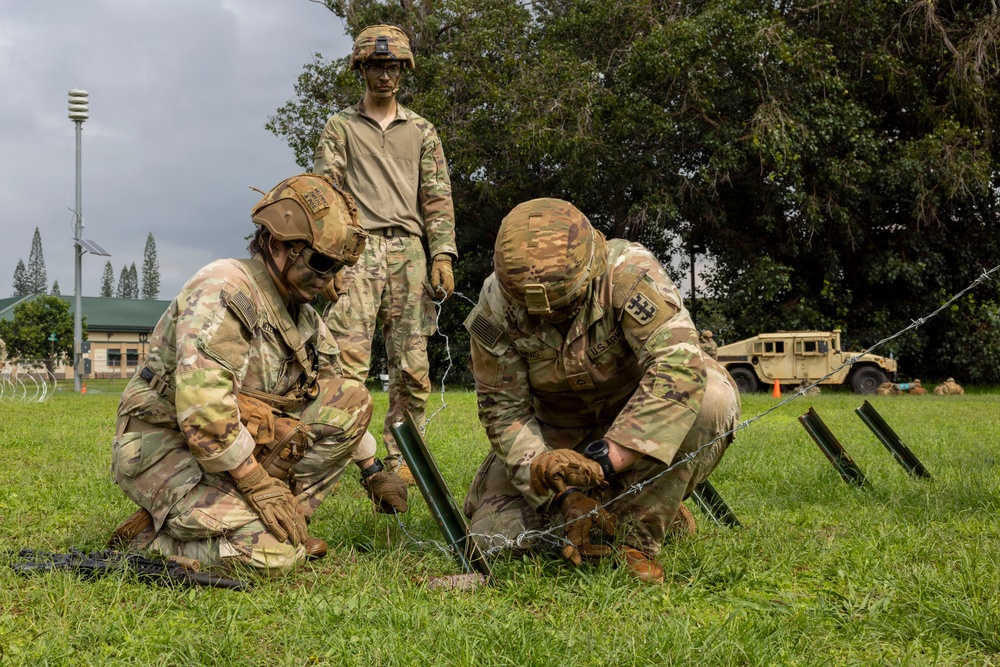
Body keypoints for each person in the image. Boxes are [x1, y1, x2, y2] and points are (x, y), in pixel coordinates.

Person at [108, 174, 408, 577]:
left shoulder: (303, 318)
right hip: (164, 442)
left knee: (352, 399)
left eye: (337, 268)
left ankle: (279, 524)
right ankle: (156, 540)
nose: (328, 279)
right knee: (271, 559)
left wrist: (373, 471)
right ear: (276, 243)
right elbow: (203, 406)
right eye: (321, 263)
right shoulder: (225, 288)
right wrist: (256, 483)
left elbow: (332, 397)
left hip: (230, 445)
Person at [462, 199, 741, 584]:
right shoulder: (494, 307)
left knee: (711, 398)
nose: (548, 316)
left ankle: (634, 538)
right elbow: (503, 412)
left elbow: (678, 366)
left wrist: (604, 461)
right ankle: (615, 509)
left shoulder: (627, 273)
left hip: (634, 421)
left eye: (564, 305)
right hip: (555, 437)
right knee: (494, 539)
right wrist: (561, 495)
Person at [313, 24, 458, 484]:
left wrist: (442, 255)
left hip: (409, 253)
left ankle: (403, 461)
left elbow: (437, 197)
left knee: (412, 367)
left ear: (403, 70)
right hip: (357, 251)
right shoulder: (340, 127)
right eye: (376, 66)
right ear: (362, 69)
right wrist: (329, 261)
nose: (384, 75)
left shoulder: (421, 130)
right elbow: (327, 195)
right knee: (343, 364)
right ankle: (342, 457)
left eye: (392, 66)